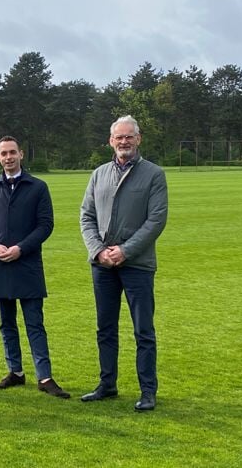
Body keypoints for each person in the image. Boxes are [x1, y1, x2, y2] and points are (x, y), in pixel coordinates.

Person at [79, 115, 168, 411]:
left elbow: (156, 220)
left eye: (129, 136)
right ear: (111, 141)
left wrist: (126, 251)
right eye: (119, 137)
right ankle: (107, 384)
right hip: (102, 265)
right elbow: (86, 216)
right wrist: (98, 251)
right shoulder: (99, 174)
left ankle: (148, 391)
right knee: (105, 328)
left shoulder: (154, 174)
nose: (124, 141)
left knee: (143, 330)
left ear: (138, 139)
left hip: (137, 265)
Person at [0, 135, 71, 399]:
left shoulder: (38, 187)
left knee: (34, 323)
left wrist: (21, 248)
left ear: (21, 154)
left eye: (12, 152)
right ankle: (15, 371)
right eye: (3, 153)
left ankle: (45, 376)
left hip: (27, 264)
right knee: (6, 323)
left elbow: (45, 225)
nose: (8, 157)